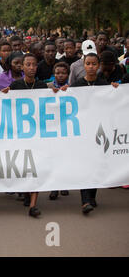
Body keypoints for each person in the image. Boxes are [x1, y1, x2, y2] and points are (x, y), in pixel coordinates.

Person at [68, 53, 118, 214]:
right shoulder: (76, 85)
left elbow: (112, 104)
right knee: (84, 165)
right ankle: (85, 201)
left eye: (94, 64)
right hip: (82, 131)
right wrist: (61, 91)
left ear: (99, 66)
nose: (91, 67)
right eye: (88, 63)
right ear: (83, 65)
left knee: (96, 164)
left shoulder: (104, 85)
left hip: (98, 131)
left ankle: (92, 195)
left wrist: (116, 91)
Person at [3, 53, 47, 218]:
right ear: (22, 67)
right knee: (24, 165)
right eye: (27, 64)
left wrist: (58, 92)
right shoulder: (15, 87)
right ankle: (26, 193)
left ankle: (33, 205)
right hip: (21, 134)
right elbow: (6, 105)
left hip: (38, 134)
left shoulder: (42, 86)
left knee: (35, 166)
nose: (31, 68)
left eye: (34, 65)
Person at [47, 62, 71, 200]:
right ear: (53, 74)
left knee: (65, 157)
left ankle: (65, 185)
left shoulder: (72, 88)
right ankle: (54, 187)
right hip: (51, 127)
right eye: (57, 73)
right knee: (53, 158)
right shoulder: (48, 87)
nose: (60, 75)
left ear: (67, 74)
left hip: (66, 126)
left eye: (63, 73)